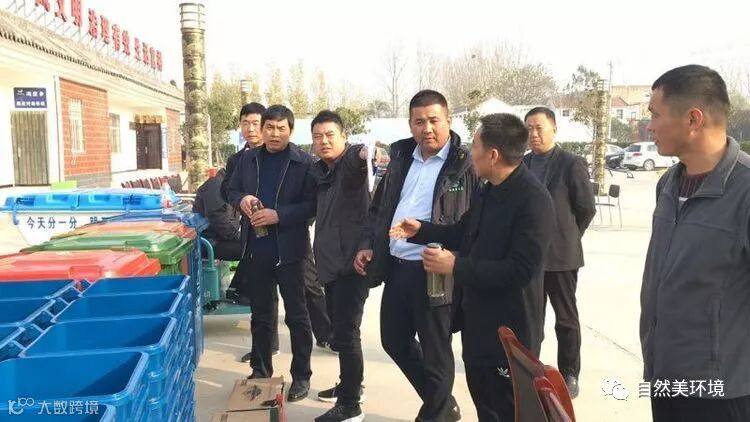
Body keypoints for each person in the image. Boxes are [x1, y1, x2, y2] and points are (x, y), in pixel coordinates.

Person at [391, 113, 555, 422]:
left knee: (509, 408)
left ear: (493, 155)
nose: (470, 152)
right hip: (477, 320)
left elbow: (520, 270)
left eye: (475, 145)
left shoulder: (533, 200)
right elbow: (463, 231)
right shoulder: (488, 189)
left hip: (511, 329)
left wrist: (455, 266)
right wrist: (421, 230)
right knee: (484, 401)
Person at [355, 90, 478, 421]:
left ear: (448, 120)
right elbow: (379, 209)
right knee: (394, 340)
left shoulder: (464, 164)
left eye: (434, 120)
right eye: (419, 122)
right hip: (398, 267)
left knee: (436, 351)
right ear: (410, 124)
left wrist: (461, 262)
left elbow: (474, 222)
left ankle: (435, 413)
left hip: (436, 270)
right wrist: (368, 243)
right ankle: (443, 405)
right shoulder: (400, 158)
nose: (427, 129)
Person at [641, 65, 750, 421]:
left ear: (693, 119)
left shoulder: (745, 191)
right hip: (665, 377)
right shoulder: (668, 185)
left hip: (723, 392)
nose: (649, 127)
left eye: (655, 115)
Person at [223, 103, 332, 364]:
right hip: (256, 249)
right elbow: (229, 190)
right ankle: (261, 371)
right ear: (263, 130)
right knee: (260, 316)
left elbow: (314, 205)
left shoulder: (305, 163)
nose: (274, 134)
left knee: (297, 316)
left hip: (291, 251)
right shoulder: (247, 160)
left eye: (281, 128)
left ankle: (301, 374)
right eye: (269, 127)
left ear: (290, 131)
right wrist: (241, 199)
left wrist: (279, 215)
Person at [522, 107, 596, 397]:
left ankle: (569, 372)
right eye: (529, 128)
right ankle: (530, 369)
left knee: (565, 319)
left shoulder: (570, 163)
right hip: (528, 258)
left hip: (561, 257)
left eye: (539, 127)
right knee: (530, 318)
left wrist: (568, 237)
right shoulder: (523, 164)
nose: (533, 134)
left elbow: (585, 208)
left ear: (554, 129)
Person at [309, 110, 372, 422]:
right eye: (318, 136)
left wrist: (368, 152)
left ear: (344, 137)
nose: (324, 141)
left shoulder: (348, 163)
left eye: (330, 135)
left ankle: (350, 405)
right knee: (340, 332)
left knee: (347, 334)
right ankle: (350, 385)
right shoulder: (322, 171)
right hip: (331, 265)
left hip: (352, 266)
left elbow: (361, 156)